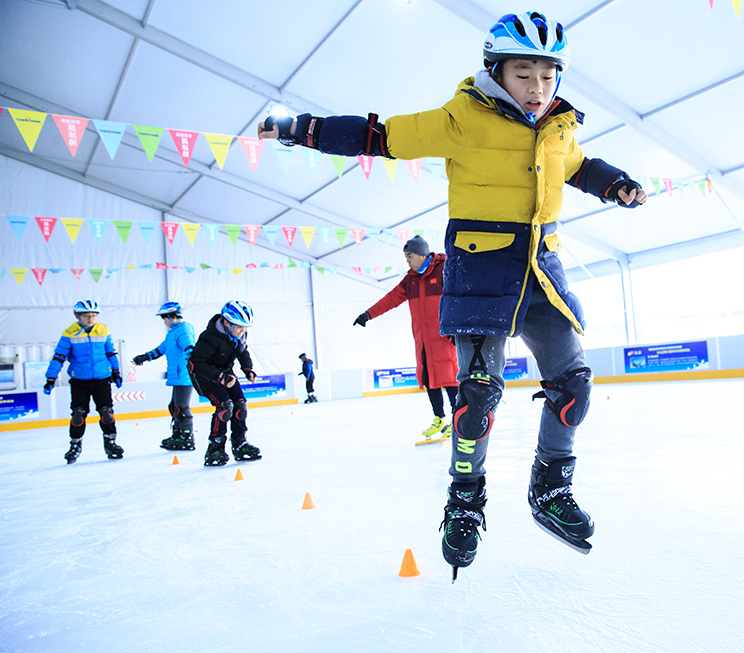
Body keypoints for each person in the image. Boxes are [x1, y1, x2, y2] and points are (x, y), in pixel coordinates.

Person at [259, 11, 647, 578]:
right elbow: (380, 136)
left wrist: (614, 183)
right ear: (495, 70)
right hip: (481, 271)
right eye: (523, 74)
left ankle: (550, 489)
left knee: (574, 389)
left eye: (547, 75)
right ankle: (465, 500)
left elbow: (577, 166)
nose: (537, 88)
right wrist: (300, 128)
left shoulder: (562, 127)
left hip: (542, 272)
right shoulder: (461, 117)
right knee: (475, 402)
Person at [353, 235, 459, 441]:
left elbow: (459, 297)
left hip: (445, 338)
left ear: (421, 254)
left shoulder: (444, 269)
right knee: (430, 380)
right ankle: (440, 419)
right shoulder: (411, 279)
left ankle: (458, 421)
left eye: (409, 256)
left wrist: (458, 329)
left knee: (450, 380)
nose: (407, 261)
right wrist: (368, 314)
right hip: (423, 342)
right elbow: (391, 299)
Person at [44, 300, 123, 464]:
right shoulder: (69, 333)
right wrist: (51, 378)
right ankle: (74, 446)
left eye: (93, 315)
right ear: (77, 316)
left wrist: (116, 372)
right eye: (86, 316)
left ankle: (111, 443)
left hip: (102, 379)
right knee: (78, 414)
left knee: (106, 413)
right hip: (80, 381)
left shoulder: (103, 330)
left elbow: (110, 353)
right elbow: (59, 357)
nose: (90, 319)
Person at [187, 301, 262, 466]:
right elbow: (195, 364)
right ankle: (215, 448)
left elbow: (243, 351)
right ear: (226, 323)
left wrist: (248, 369)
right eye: (240, 327)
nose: (243, 331)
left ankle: (240, 443)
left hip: (226, 372)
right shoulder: (209, 338)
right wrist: (220, 377)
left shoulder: (239, 335)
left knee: (240, 404)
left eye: (245, 328)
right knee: (225, 405)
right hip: (204, 376)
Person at [131, 302, 197, 450]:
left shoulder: (183, 330)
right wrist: (144, 357)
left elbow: (189, 347)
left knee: (181, 407)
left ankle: (186, 438)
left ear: (172, 317)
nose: (165, 322)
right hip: (178, 375)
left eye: (165, 319)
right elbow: (161, 349)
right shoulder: (173, 333)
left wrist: (193, 362)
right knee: (174, 406)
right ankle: (178, 434)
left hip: (184, 375)